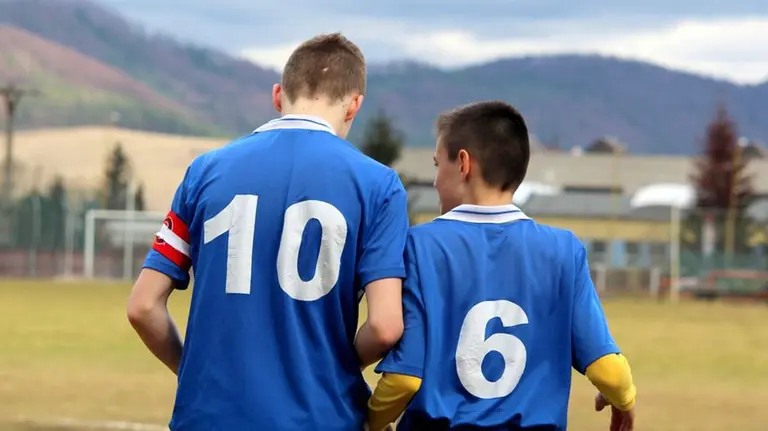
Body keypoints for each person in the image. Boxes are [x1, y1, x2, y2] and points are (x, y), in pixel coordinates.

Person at [126, 33, 408, 431]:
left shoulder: (205, 171)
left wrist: (196, 375)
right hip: (320, 416)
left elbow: (142, 307)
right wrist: (328, 368)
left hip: (209, 416)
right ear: (354, 106)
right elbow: (384, 326)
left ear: (278, 95)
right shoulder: (378, 184)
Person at [366, 101, 637, 431]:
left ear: (464, 163)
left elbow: (405, 379)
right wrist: (624, 401)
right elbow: (609, 370)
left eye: (439, 165)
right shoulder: (564, 250)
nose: (436, 181)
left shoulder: (419, 246)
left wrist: (372, 421)